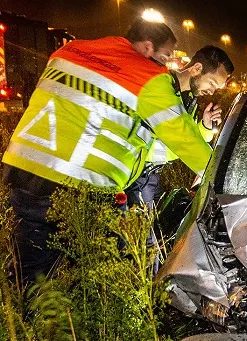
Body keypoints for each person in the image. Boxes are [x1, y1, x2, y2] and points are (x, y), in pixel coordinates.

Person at [1, 18, 214, 285]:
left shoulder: (68, 52)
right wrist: (221, 177)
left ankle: (27, 306)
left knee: (30, 268)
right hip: (83, 184)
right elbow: (185, 140)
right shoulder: (148, 76)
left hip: (26, 171)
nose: (167, 64)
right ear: (148, 47)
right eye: (165, 56)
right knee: (114, 270)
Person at [124, 45, 233, 274]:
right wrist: (217, 173)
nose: (213, 91)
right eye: (212, 83)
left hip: (152, 177)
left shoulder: (188, 98)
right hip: (136, 176)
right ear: (196, 68)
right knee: (144, 248)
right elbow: (179, 144)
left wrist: (204, 127)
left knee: (154, 240)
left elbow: (184, 141)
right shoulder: (163, 90)